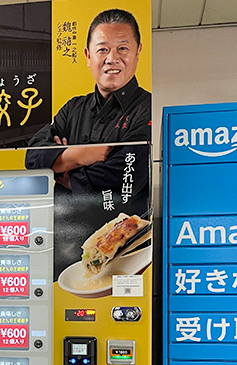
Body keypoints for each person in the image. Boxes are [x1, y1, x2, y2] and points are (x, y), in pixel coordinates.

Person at [25, 9, 151, 278]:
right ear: (88, 55)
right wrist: (82, 155)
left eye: (122, 48)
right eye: (103, 49)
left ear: (138, 50)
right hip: (61, 246)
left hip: (125, 254)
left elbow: (124, 175)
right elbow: (33, 157)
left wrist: (62, 170)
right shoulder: (73, 108)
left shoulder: (147, 107)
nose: (112, 59)